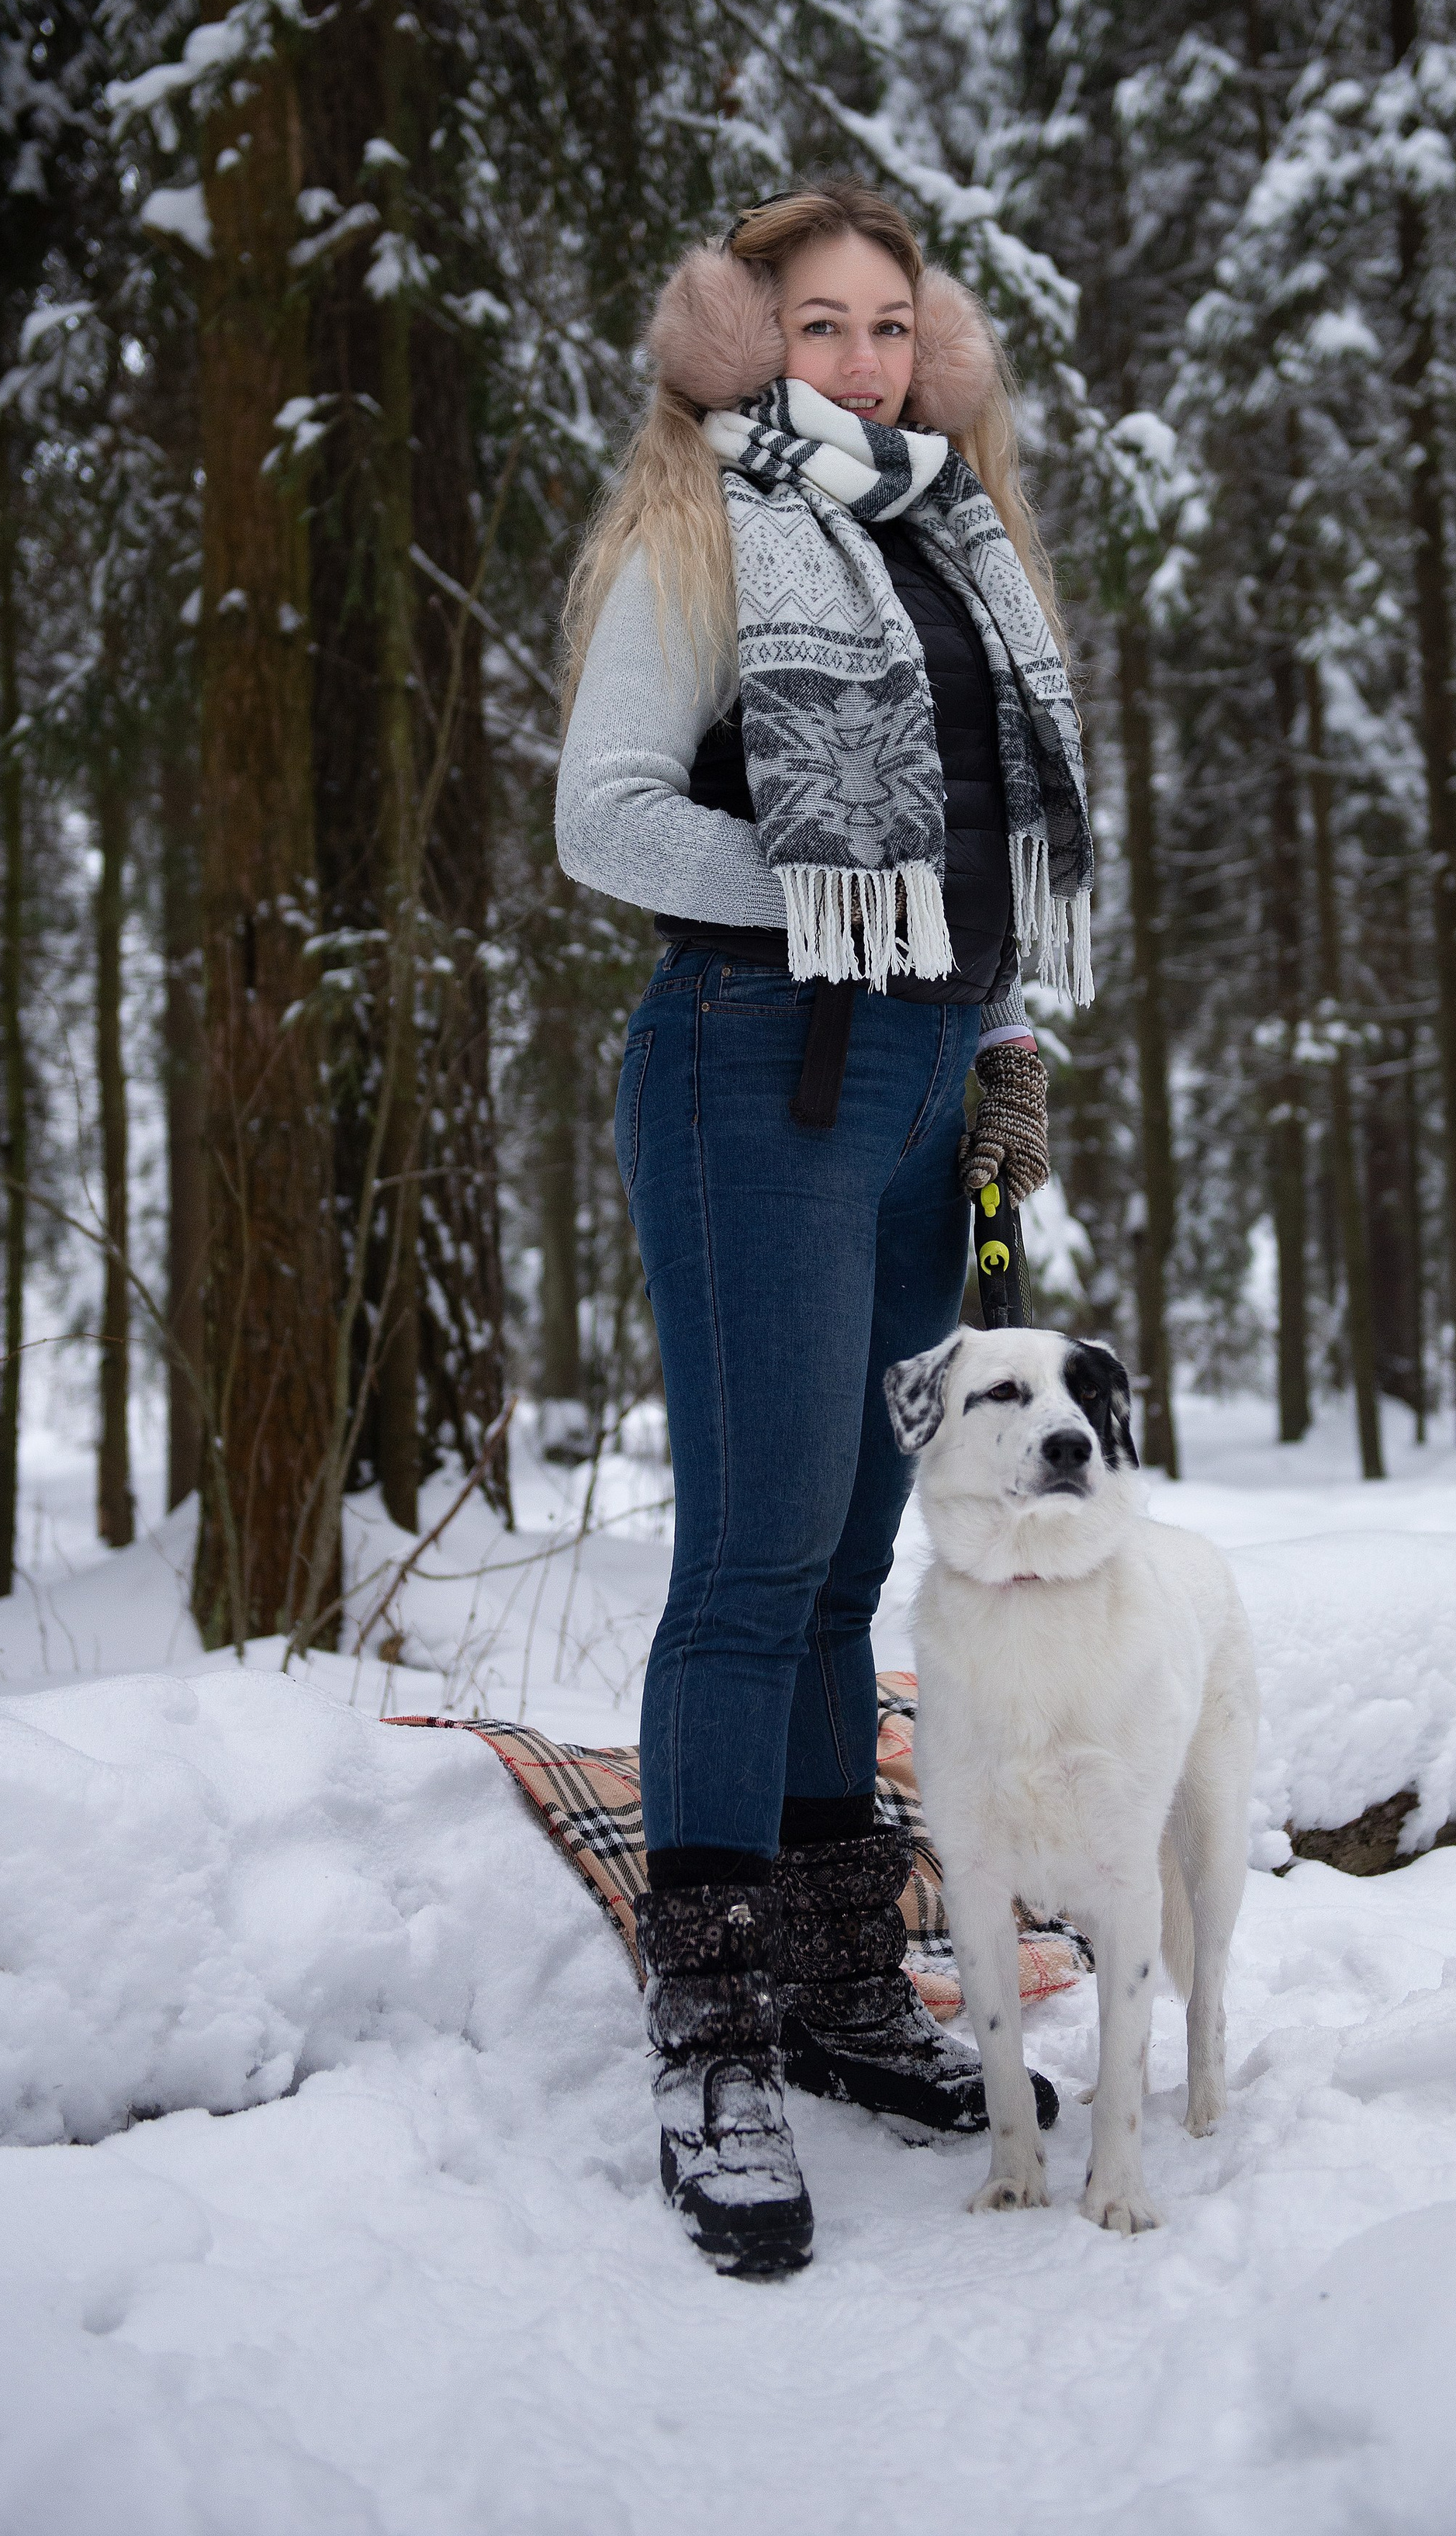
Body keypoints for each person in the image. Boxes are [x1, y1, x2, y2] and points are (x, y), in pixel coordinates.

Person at [556, 178, 1095, 2276]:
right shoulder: (706, 528)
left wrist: (1008, 1030)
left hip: (924, 1086)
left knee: (860, 1548)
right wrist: (835, 905)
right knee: (758, 1548)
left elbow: (989, 833)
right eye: (819, 325)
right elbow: (604, 810)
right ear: (745, 339)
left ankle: (839, 1971)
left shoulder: (955, 539)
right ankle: (711, 2027)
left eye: (893, 324)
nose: (862, 359)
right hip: (751, 1063)